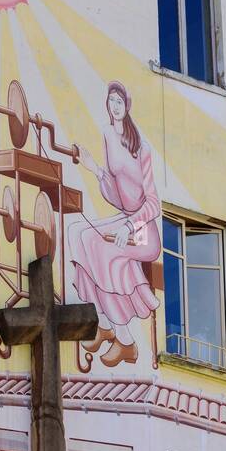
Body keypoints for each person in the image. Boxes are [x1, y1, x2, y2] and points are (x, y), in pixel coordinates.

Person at [68, 82, 160, 367]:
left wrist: (128, 227)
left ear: (127, 104)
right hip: (124, 217)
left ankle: (126, 340)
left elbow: (153, 203)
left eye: (119, 100)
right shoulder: (108, 135)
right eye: (111, 101)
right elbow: (116, 193)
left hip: (143, 229)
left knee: (106, 253)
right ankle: (104, 323)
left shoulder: (141, 149)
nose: (115, 105)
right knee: (78, 234)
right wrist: (93, 167)